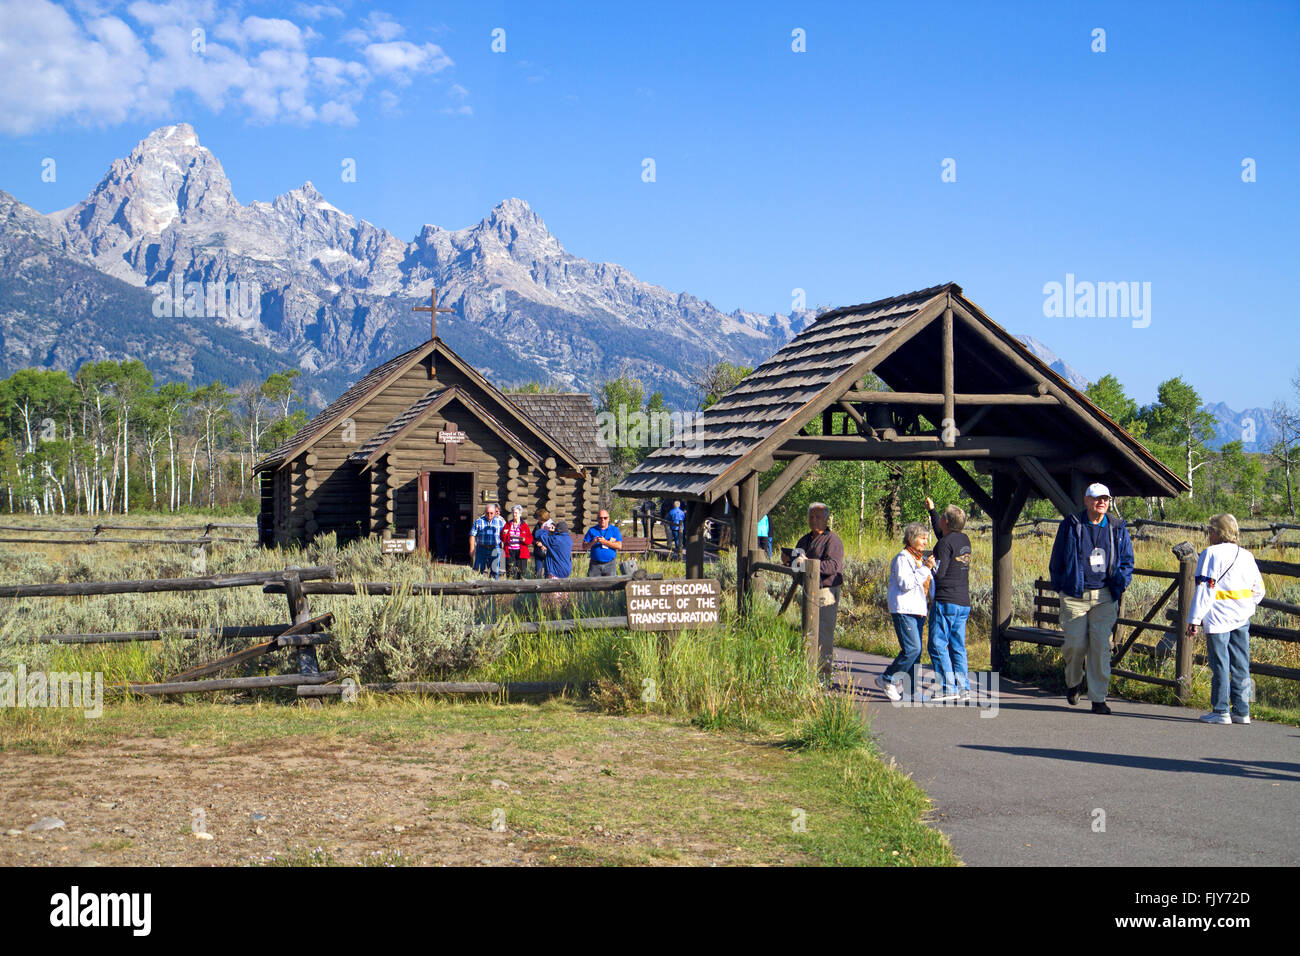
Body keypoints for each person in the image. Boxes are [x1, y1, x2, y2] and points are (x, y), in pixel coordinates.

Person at [1048, 482, 1135, 715]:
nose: (1102, 502)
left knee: (1100, 647)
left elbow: (1127, 560)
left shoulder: (1117, 527)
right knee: (1075, 645)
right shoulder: (1071, 525)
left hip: (1105, 595)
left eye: (1105, 498)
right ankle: (1074, 681)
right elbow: (1056, 559)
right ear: (1086, 500)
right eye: (1097, 498)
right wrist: (1061, 587)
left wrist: (1121, 582)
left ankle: (1098, 698)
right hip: (1075, 594)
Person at [1187, 513, 1266, 724]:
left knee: (1220, 663)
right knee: (1241, 663)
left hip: (1218, 617)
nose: (1208, 535)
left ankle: (1220, 709)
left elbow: (1204, 588)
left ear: (1215, 532)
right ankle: (1242, 710)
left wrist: (1195, 618)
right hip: (1241, 616)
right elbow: (1259, 589)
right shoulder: (1246, 555)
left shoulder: (1210, 554)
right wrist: (1247, 607)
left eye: (1209, 531)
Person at [876, 522, 935, 701]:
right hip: (904, 609)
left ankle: (910, 691)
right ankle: (887, 679)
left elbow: (929, 585)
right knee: (912, 649)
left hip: (918, 610)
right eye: (922, 538)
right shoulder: (903, 558)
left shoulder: (919, 559)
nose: (925, 542)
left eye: (926, 538)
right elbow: (905, 583)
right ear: (911, 538)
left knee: (916, 652)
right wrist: (925, 569)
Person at [925, 496, 972, 701]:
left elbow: (940, 572)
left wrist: (928, 565)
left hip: (946, 600)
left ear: (947, 522)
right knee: (957, 646)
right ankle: (964, 688)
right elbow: (941, 536)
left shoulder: (945, 543)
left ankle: (948, 688)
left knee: (936, 644)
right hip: (963, 602)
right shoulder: (963, 539)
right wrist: (932, 511)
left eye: (942, 516)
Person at [792, 502, 844, 675]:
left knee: (823, 634)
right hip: (808, 590)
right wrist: (789, 559)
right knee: (808, 632)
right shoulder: (806, 539)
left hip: (826, 591)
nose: (814, 520)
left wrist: (809, 564)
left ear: (826, 519)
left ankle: (824, 674)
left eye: (818, 517)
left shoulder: (832, 540)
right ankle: (808, 671)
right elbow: (795, 562)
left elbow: (833, 566)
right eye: (811, 517)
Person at [469, 502, 504, 579]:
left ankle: (494, 589)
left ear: (495, 513)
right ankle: (477, 589)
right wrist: (472, 549)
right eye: (487, 513)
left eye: (491, 513)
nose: (489, 515)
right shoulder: (479, 521)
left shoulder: (500, 522)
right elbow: (472, 535)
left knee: (495, 571)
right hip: (481, 548)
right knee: (477, 570)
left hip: (495, 548)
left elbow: (504, 535)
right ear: (485, 512)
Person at [583, 509, 623, 576]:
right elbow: (584, 546)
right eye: (600, 518)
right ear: (597, 519)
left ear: (608, 519)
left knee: (611, 585)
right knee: (592, 585)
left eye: (605, 518)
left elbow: (619, 546)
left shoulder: (614, 530)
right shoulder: (592, 530)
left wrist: (605, 542)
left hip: (610, 564)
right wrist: (593, 542)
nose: (603, 520)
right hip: (595, 565)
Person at [500, 505, 533, 579]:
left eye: (516, 513)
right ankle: (510, 589)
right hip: (510, 551)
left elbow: (530, 539)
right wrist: (504, 533)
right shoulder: (508, 524)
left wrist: (524, 540)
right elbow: (502, 538)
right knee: (510, 572)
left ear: (520, 514)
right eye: (513, 513)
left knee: (521, 572)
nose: (514, 514)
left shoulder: (524, 525)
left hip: (521, 552)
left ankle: (521, 589)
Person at [531, 507, 551, 576]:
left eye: (539, 517)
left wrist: (546, 546)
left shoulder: (551, 526)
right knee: (538, 572)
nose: (538, 519)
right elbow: (532, 538)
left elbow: (553, 539)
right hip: (538, 552)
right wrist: (536, 543)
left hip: (548, 552)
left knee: (548, 571)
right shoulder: (537, 526)